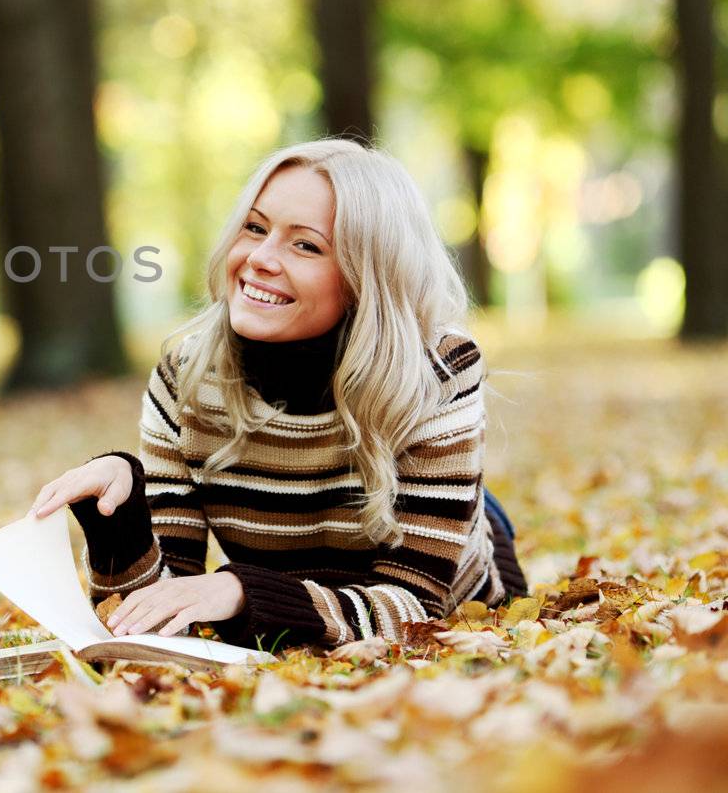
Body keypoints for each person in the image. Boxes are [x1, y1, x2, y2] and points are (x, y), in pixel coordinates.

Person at [30, 138, 527, 649]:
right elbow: (160, 614)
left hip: (452, 576)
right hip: (299, 595)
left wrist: (243, 589)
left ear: (366, 276)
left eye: (306, 244)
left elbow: (415, 610)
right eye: (255, 227)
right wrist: (119, 517)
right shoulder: (187, 375)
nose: (260, 259)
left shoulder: (438, 369)